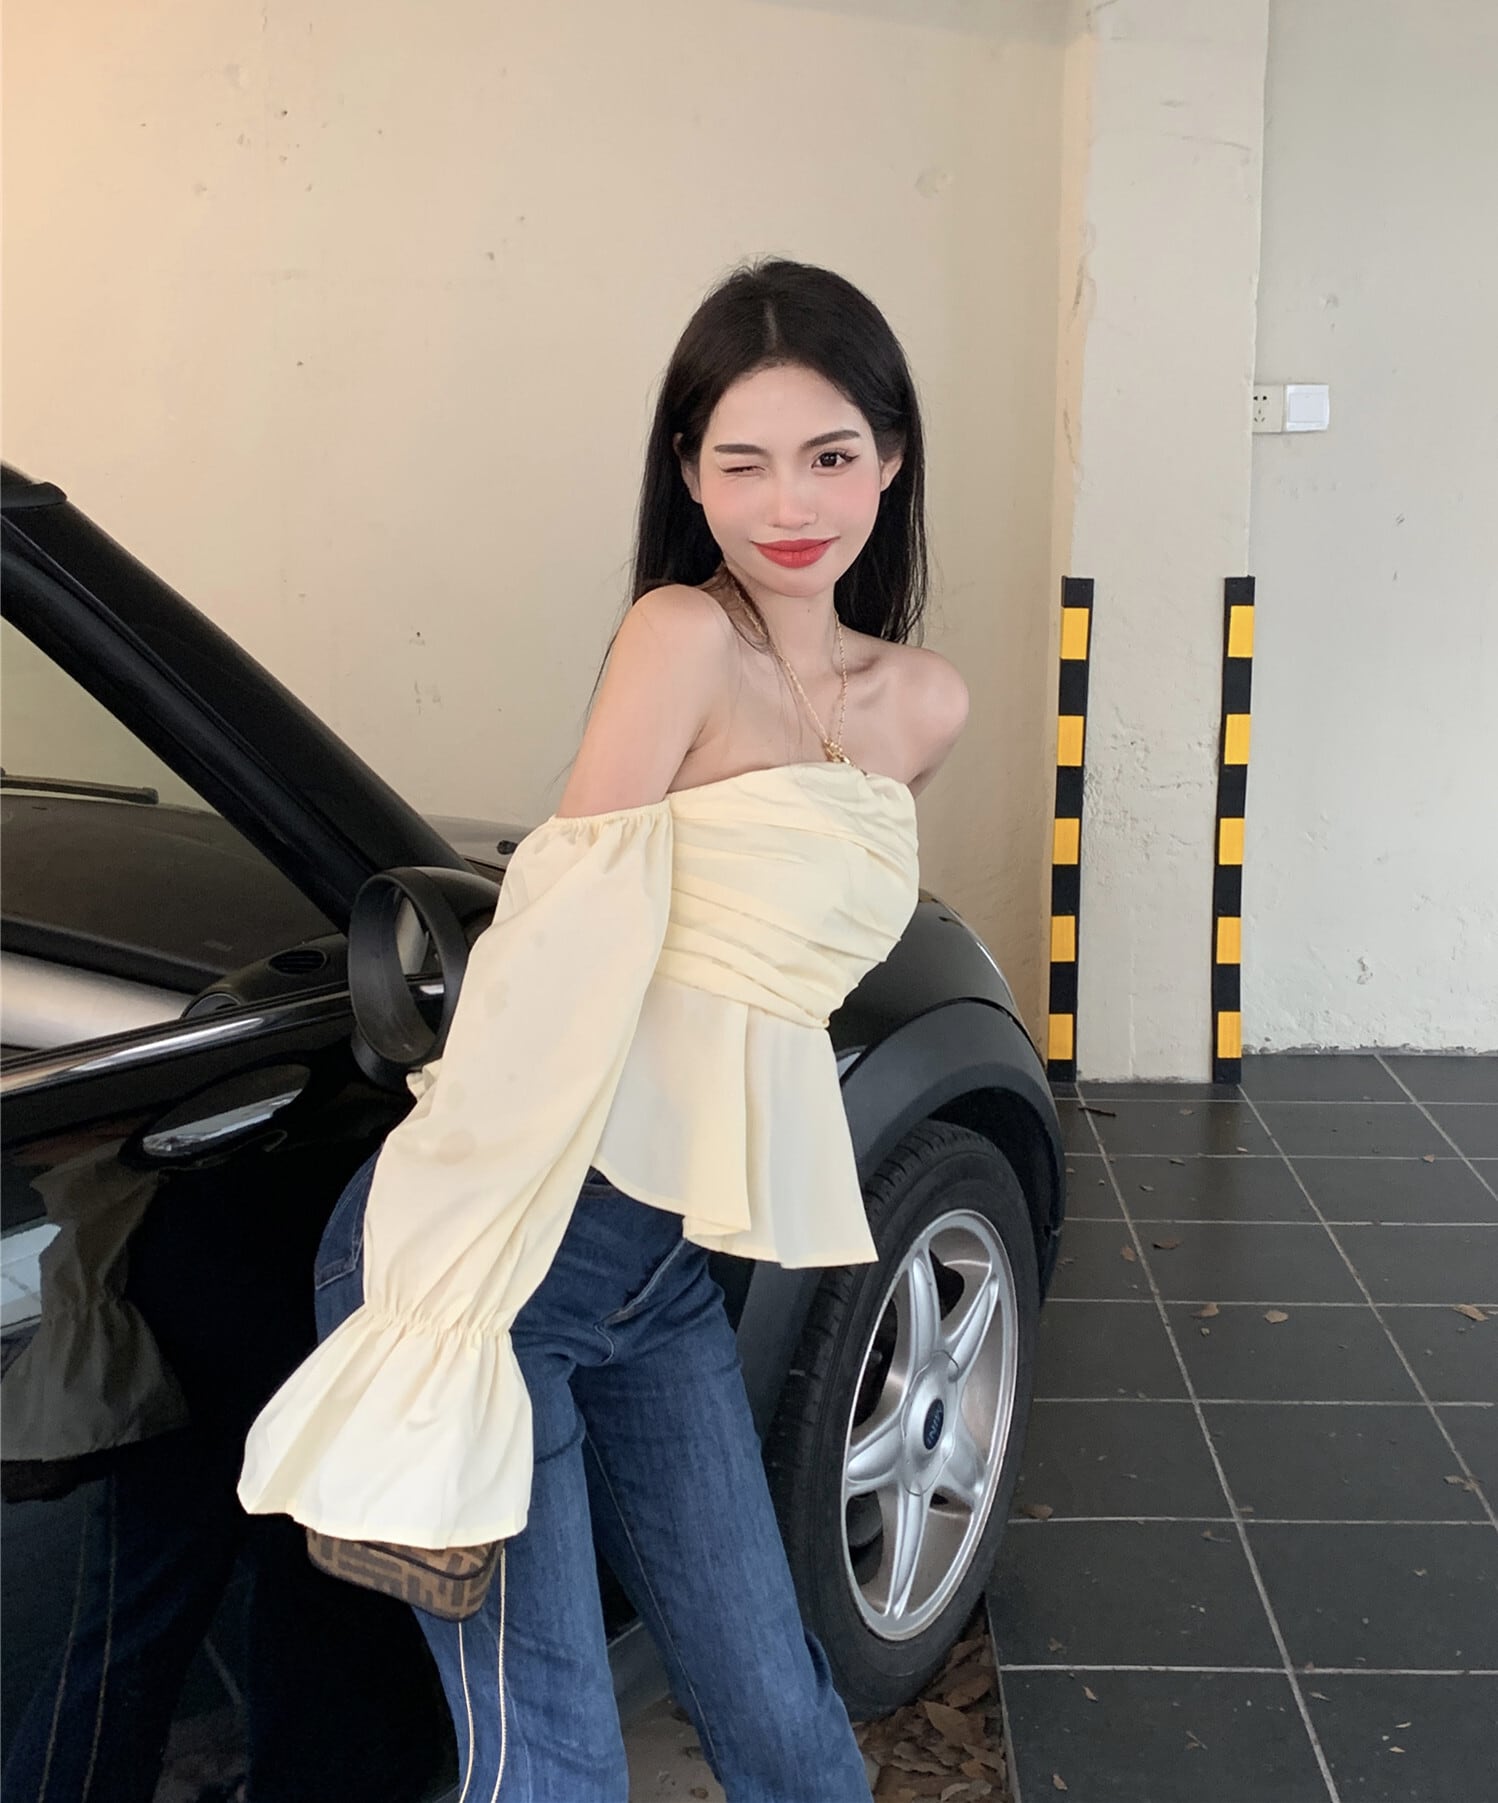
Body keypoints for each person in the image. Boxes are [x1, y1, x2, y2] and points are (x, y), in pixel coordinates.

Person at [238, 257, 969, 1800]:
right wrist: (438, 1287)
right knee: (553, 1761)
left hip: (654, 1274)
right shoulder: (678, 637)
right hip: (500, 1257)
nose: (788, 503)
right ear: (688, 476)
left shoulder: (920, 705)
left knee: (784, 1721)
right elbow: (558, 944)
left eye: (829, 455)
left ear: (892, 459)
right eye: (741, 462)